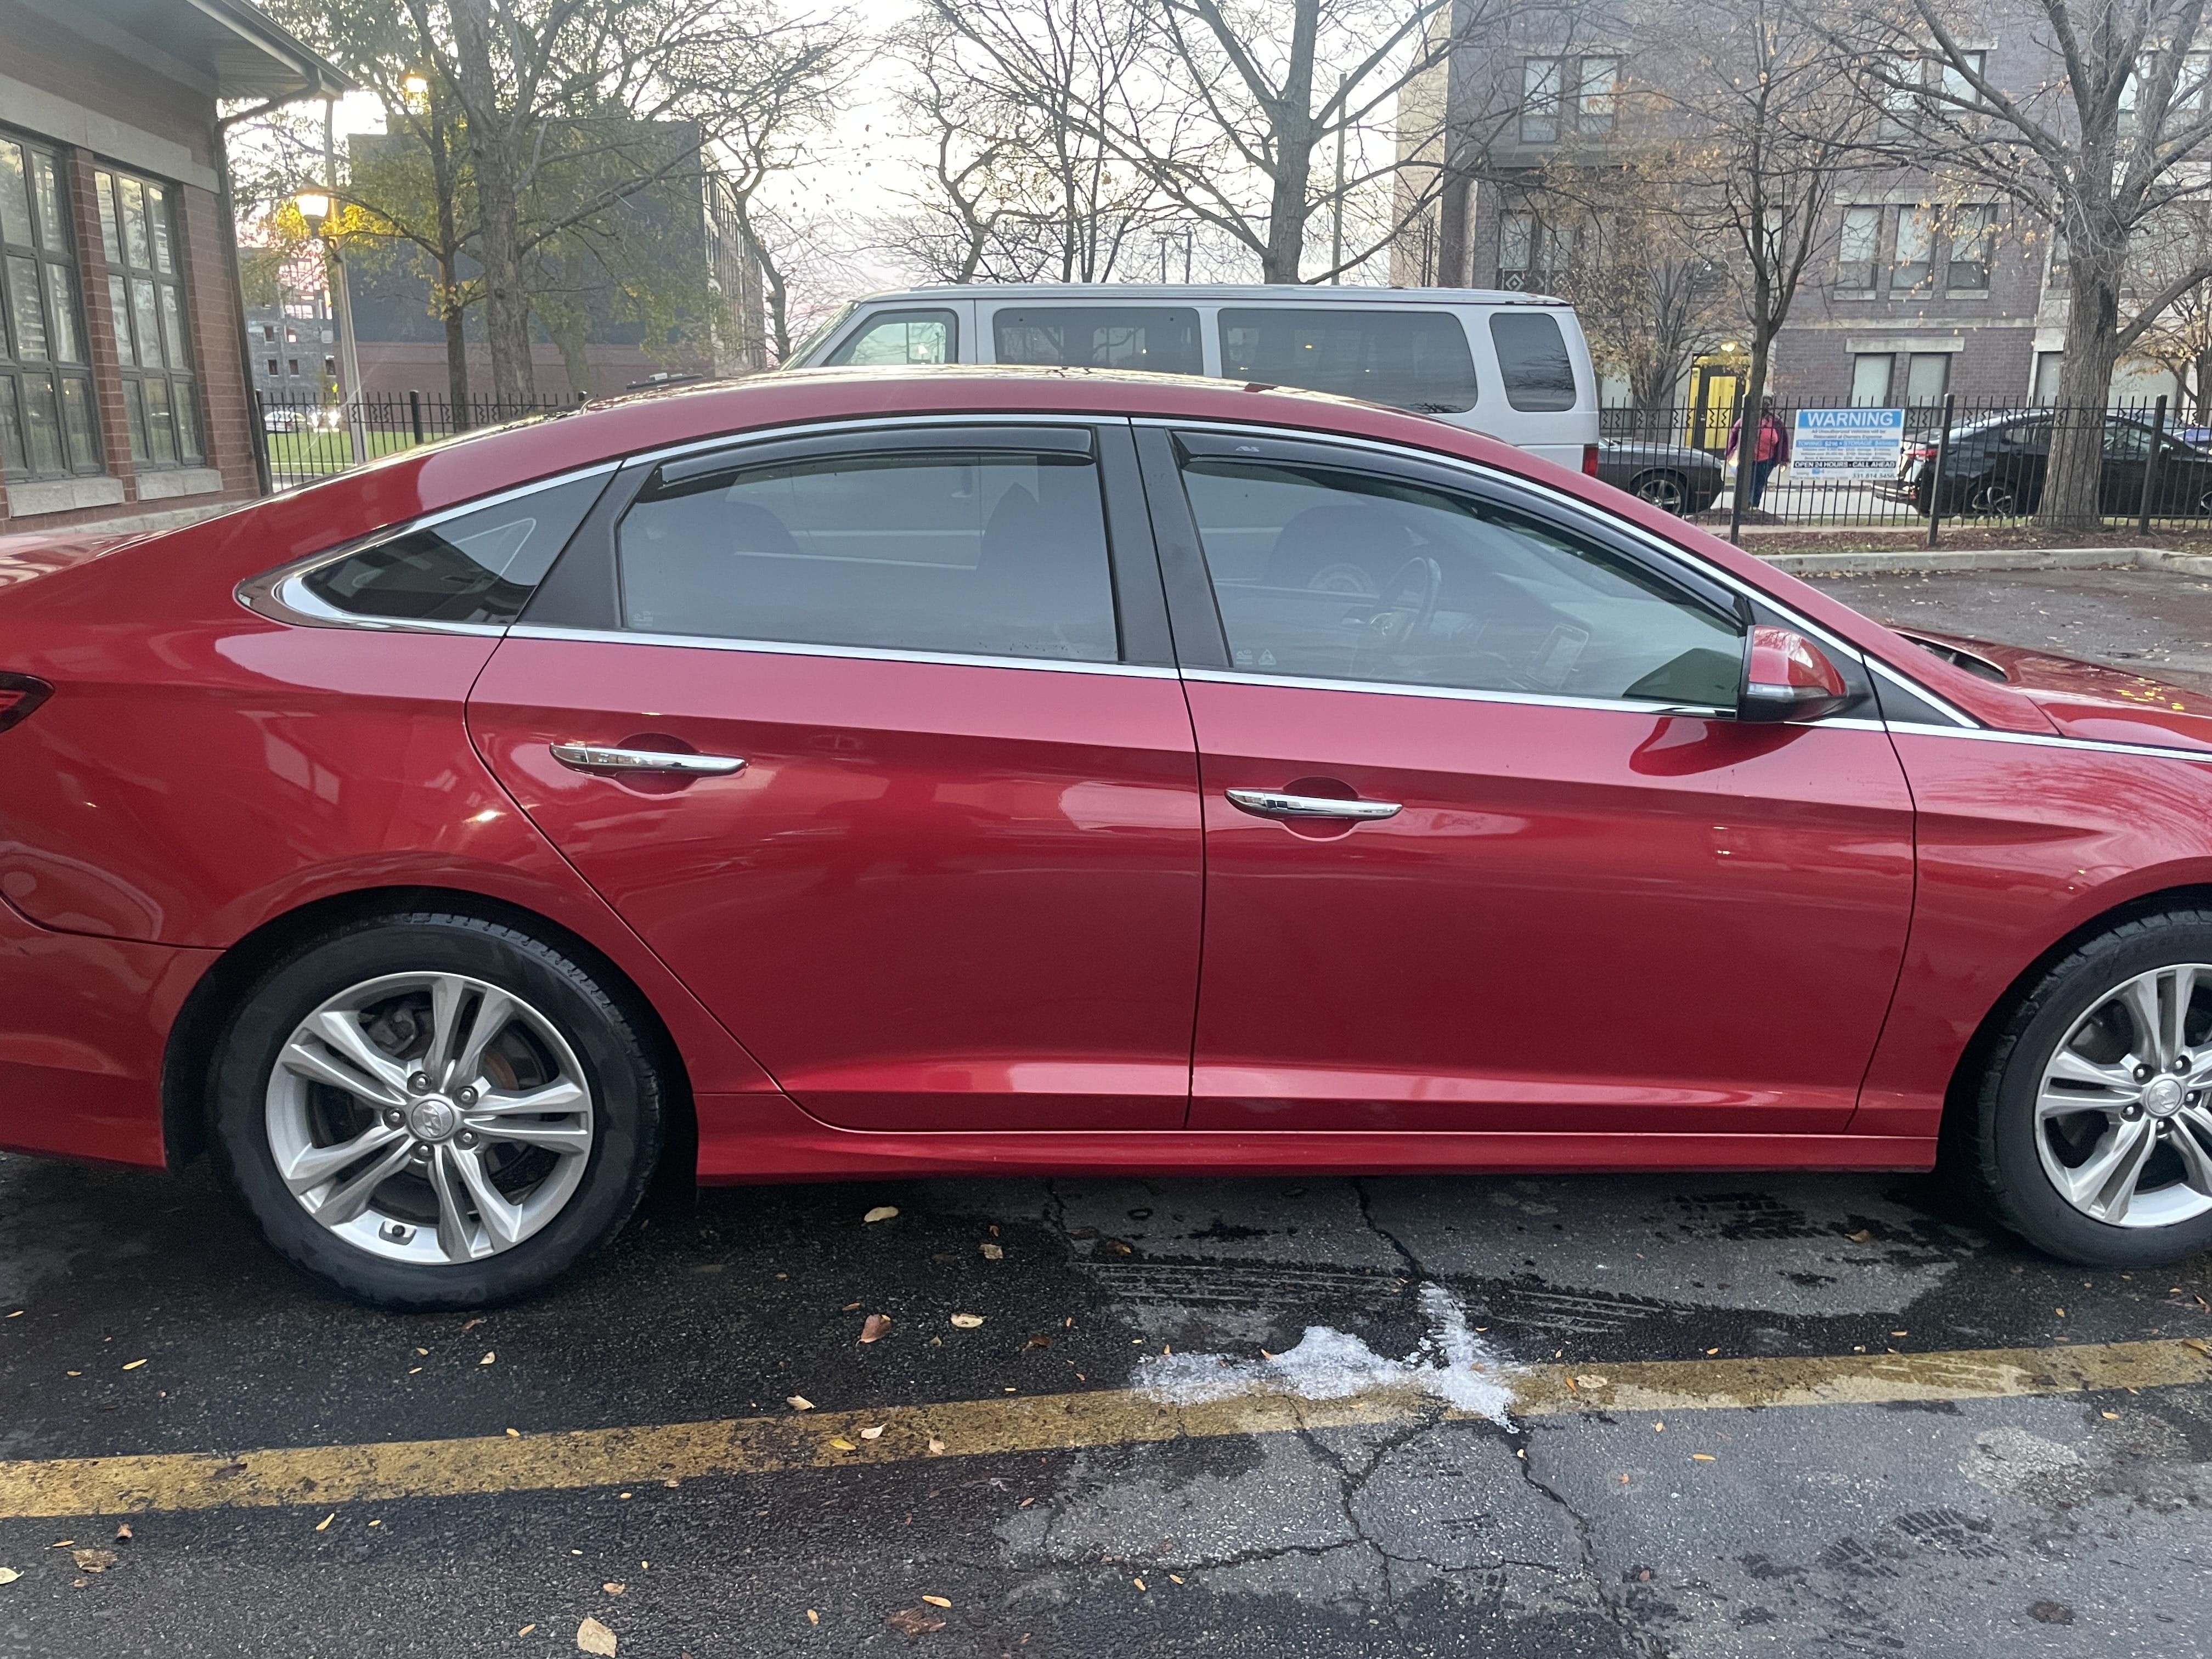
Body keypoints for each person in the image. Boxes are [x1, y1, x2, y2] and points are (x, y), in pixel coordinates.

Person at [1726, 399, 1791, 510]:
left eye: (1767, 406)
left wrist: (1784, 459)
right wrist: (1729, 452)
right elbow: (1734, 434)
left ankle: (1754, 506)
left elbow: (1784, 440)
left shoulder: (1776, 422)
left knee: (1759, 484)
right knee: (1746, 483)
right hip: (1747, 458)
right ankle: (1744, 505)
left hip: (1767, 459)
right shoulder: (1746, 419)